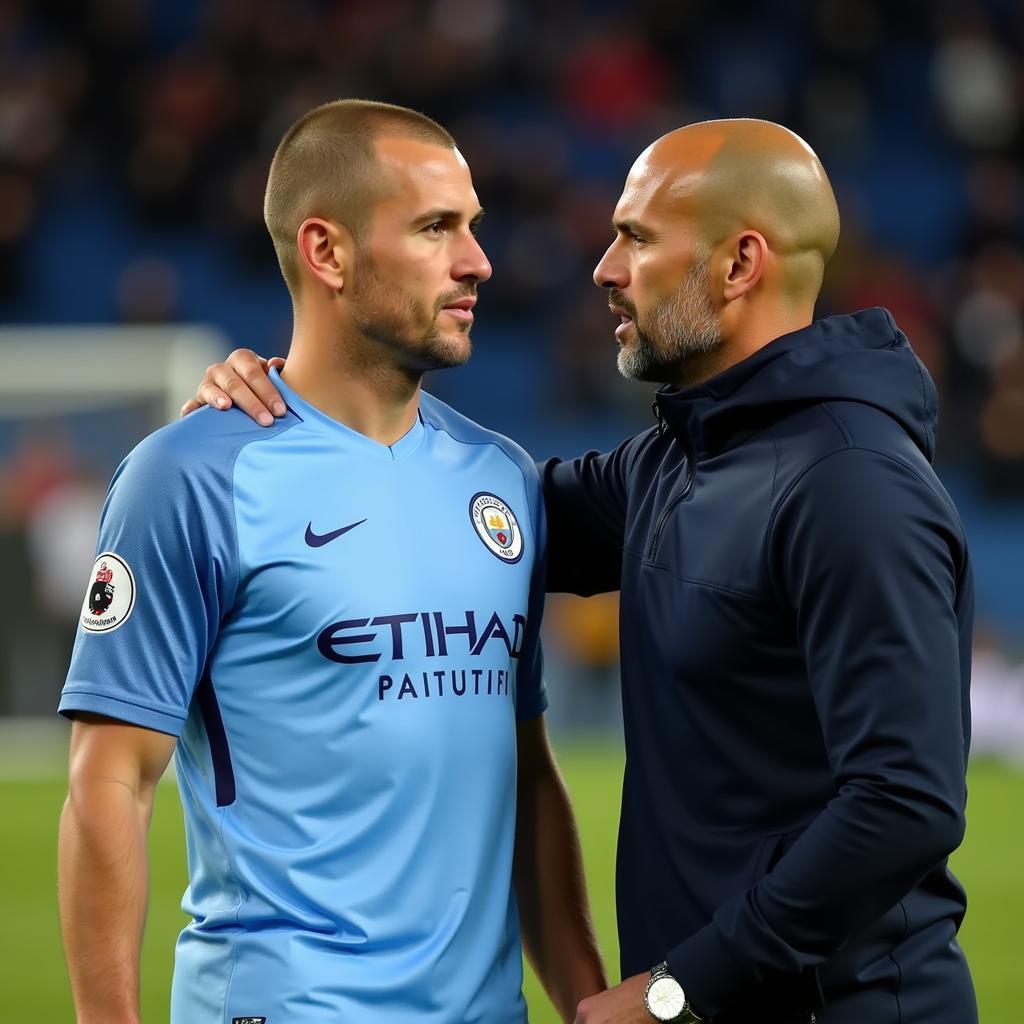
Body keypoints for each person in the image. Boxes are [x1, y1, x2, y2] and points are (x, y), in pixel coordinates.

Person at [187, 118, 977, 1024]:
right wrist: (293, 407)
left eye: (636, 237)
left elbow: (904, 803)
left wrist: (681, 990)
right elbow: (453, 505)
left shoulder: (851, 484)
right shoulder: (674, 463)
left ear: (739, 264)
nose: (603, 268)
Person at [58, 99, 606, 1024]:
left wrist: (587, 1000)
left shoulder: (502, 478)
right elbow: (110, 780)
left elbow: (525, 771)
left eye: (473, 226)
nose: (478, 259)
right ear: (327, 252)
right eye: (437, 228)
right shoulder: (191, 477)